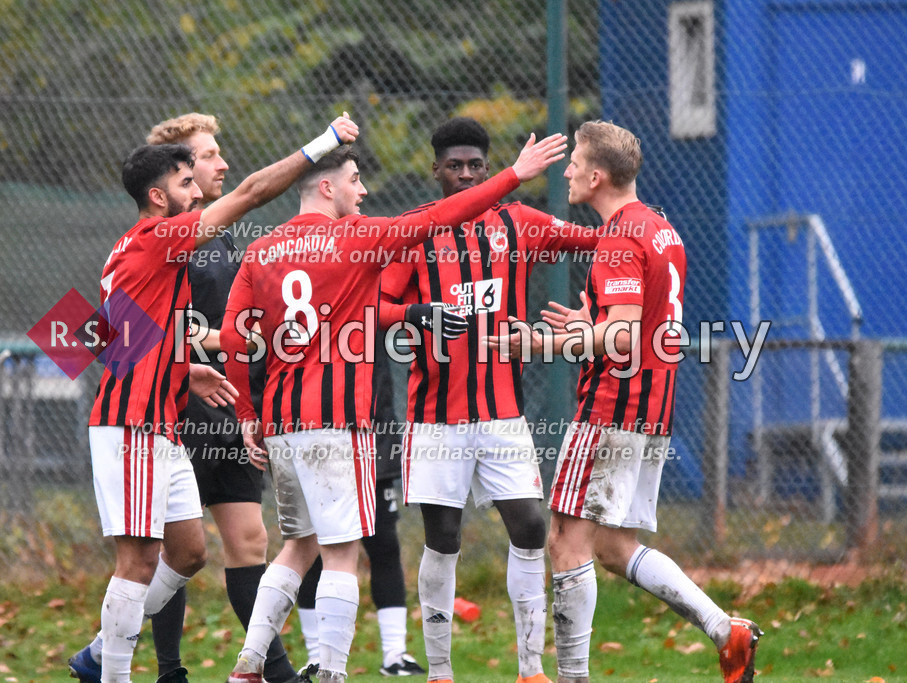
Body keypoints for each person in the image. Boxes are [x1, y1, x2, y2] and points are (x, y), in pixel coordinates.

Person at [221, 132, 568, 683]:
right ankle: (331, 672)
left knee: (296, 547)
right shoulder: (358, 237)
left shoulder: (260, 249)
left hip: (282, 423)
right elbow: (441, 216)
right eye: (355, 181)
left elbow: (233, 339)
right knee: (340, 554)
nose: (362, 192)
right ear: (327, 187)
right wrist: (513, 176)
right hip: (339, 422)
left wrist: (247, 415)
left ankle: (248, 663)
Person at [68, 113, 360, 683]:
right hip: (132, 424)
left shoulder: (163, 245)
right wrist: (325, 142)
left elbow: (110, 331)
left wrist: (183, 369)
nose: (203, 183)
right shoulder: (158, 236)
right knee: (138, 561)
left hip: (167, 421)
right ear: (159, 195)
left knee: (188, 553)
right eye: (189, 177)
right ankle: (118, 671)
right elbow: (252, 194)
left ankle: (101, 653)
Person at [485, 120, 762, 683]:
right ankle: (725, 630)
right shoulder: (660, 229)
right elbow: (637, 320)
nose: (566, 170)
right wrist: (591, 323)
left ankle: (573, 678)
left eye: (574, 161)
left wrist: (540, 343)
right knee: (613, 546)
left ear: (597, 176)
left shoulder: (618, 237)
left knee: (566, 542)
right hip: (652, 406)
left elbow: (622, 336)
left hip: (612, 406)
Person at [377, 117, 598, 683]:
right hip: (436, 419)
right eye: (455, 166)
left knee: (530, 526)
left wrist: (638, 222)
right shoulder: (415, 232)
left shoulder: (518, 222)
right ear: (436, 170)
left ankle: (530, 669)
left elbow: (593, 240)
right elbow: (373, 307)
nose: (467, 174)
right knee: (443, 538)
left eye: (476, 165)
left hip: (503, 415)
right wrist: (415, 314)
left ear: (487, 167)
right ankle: (440, 672)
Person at [141, 113, 302, 683]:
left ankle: (270, 671)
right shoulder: (158, 238)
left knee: (250, 540)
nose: (222, 164)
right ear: (177, 171)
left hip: (233, 409)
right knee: (179, 553)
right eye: (208, 156)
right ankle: (168, 671)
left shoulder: (222, 235)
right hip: (178, 413)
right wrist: (200, 349)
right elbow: (111, 332)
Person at [295, 331, 426, 678]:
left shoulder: (371, 302)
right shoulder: (300, 307)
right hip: (315, 437)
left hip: (373, 438)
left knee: (384, 544)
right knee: (311, 548)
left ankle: (395, 654)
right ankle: (315, 656)